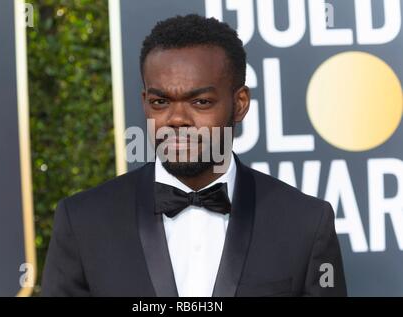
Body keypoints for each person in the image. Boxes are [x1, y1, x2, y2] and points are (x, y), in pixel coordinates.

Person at [42, 14, 347, 297]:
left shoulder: (306, 223)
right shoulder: (82, 222)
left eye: (200, 102)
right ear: (145, 102)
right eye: (160, 101)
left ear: (239, 103)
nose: (176, 119)